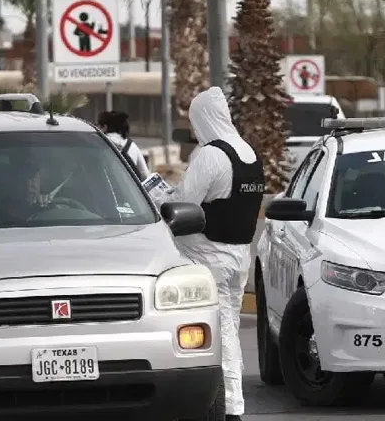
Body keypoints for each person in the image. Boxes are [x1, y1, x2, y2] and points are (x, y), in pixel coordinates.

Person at [172, 86, 265, 421]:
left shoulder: (211, 155)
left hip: (210, 257)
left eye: (196, 120)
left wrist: (157, 196)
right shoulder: (249, 153)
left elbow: (183, 202)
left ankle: (231, 409)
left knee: (222, 331)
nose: (196, 129)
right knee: (230, 330)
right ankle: (229, 401)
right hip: (239, 256)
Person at [98, 110, 151, 180]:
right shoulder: (132, 145)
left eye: (99, 126)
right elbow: (145, 175)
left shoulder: (98, 142)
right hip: (127, 189)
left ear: (105, 127)